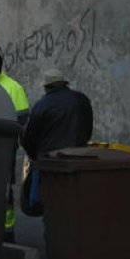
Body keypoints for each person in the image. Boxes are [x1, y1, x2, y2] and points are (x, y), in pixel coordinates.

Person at [20, 68, 94, 213]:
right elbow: (87, 127)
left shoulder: (42, 105)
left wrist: (35, 156)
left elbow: (29, 138)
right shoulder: (81, 99)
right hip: (79, 158)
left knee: (49, 204)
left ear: (47, 87)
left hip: (50, 163)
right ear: (64, 84)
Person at [0, 51, 30, 242]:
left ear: (1, 65)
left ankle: (7, 230)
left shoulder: (13, 87)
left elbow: (23, 120)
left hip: (5, 148)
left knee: (4, 189)